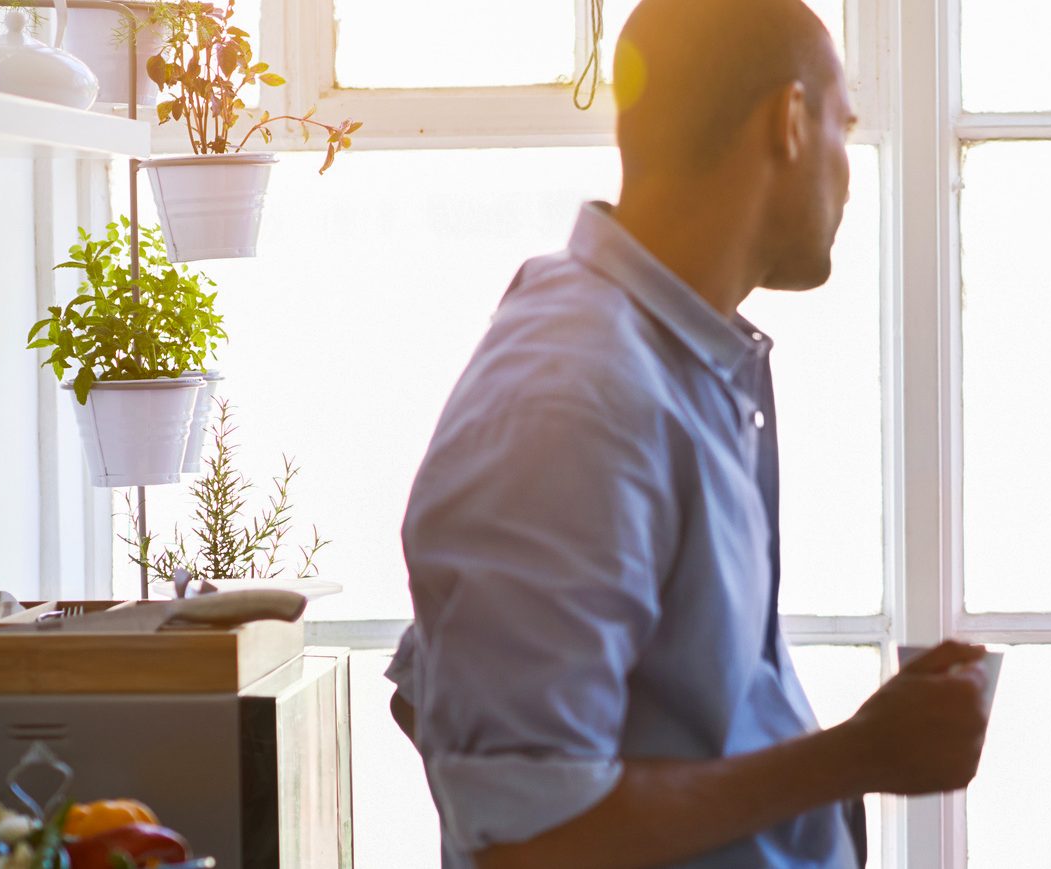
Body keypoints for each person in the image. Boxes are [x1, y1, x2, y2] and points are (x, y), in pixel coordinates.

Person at [384, 1, 991, 866]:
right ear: (787, 122)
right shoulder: (578, 395)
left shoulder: (671, 363)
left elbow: (450, 696)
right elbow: (527, 838)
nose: (850, 175)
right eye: (842, 126)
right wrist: (858, 755)